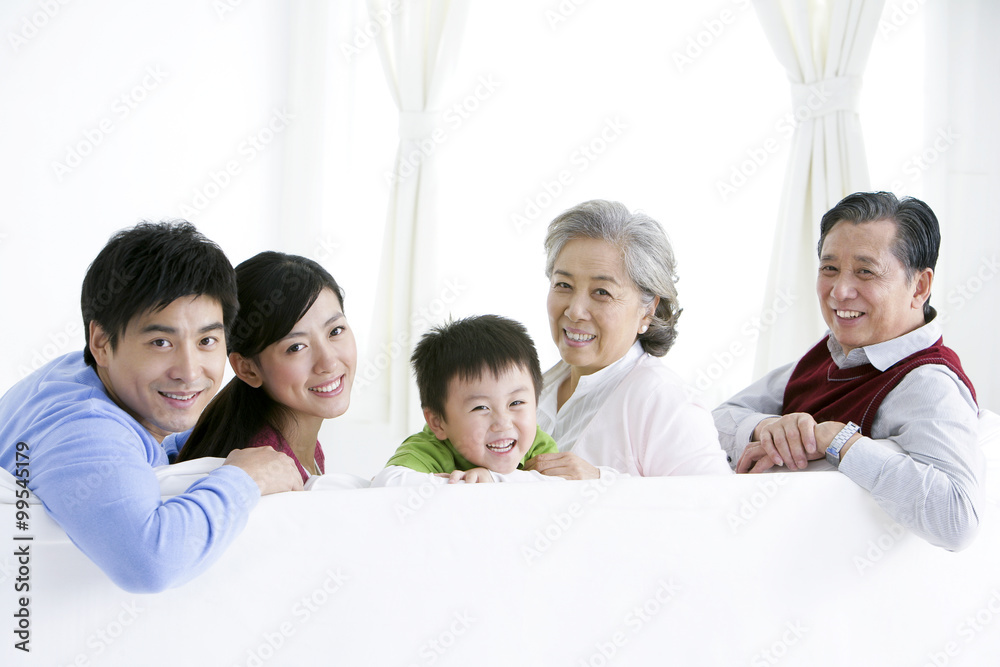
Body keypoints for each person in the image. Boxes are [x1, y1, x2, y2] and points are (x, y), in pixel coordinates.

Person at [0, 222, 302, 593]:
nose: (190, 371)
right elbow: (150, 562)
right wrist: (246, 480)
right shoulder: (84, 428)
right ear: (102, 342)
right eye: (161, 342)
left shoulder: (76, 373)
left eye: (207, 340)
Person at [713, 191, 984, 551]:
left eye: (865, 271)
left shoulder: (928, 384)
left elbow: (958, 518)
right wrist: (769, 428)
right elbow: (712, 422)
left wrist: (838, 441)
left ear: (919, 287)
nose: (839, 291)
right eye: (829, 269)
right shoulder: (830, 354)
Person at [525, 199, 732, 480]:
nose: (574, 310)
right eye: (564, 285)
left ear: (646, 310)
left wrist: (600, 483)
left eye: (602, 292)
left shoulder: (665, 402)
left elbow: (711, 507)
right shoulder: (532, 387)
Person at [177, 252, 356, 485]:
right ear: (247, 369)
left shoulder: (295, 445)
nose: (329, 362)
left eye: (335, 331)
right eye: (296, 347)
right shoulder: (268, 474)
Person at [372, 315, 565, 485]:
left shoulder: (536, 444)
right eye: (481, 407)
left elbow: (560, 485)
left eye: (516, 403)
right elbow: (388, 481)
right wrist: (466, 484)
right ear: (438, 422)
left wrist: (492, 479)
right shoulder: (430, 448)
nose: (503, 423)